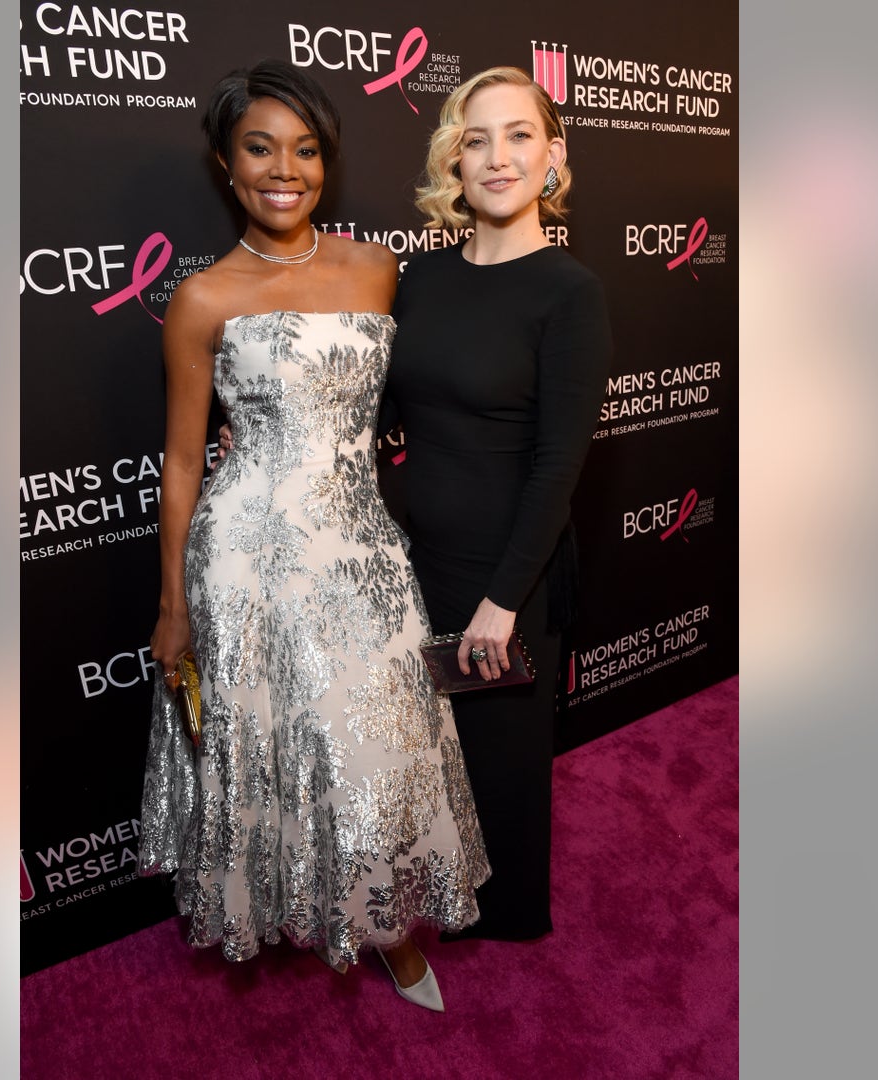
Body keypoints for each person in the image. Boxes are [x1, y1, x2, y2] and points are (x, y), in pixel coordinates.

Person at [136, 60, 487, 1012]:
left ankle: (386, 928)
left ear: (326, 162)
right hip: (247, 556)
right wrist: (174, 607)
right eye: (259, 149)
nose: (283, 170)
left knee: (371, 747)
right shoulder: (202, 298)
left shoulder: (377, 268)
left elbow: (426, 391)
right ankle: (301, 908)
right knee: (278, 747)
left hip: (361, 550)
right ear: (226, 163)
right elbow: (183, 462)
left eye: (304, 150)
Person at [385, 67, 612, 942]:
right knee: (427, 757)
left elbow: (559, 464)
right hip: (420, 562)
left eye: (519, 135)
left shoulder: (570, 293)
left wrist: (503, 601)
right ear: (455, 159)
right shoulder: (421, 278)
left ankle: (500, 929)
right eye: (476, 139)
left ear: (553, 154)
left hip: (509, 574)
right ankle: (437, 896)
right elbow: (384, 409)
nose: (498, 157)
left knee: (500, 773)